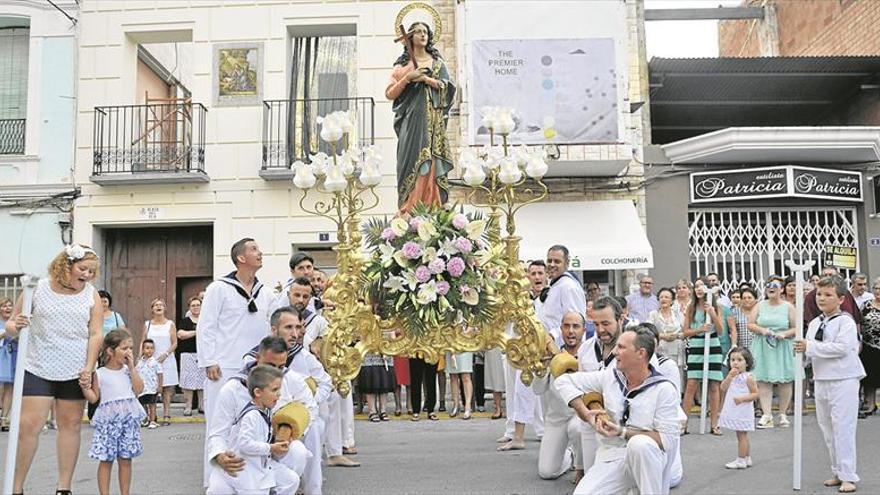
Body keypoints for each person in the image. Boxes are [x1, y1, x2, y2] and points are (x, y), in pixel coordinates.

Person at [4, 244, 103, 495]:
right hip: (37, 365)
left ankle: (64, 488)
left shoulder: (90, 295)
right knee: (29, 426)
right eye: (83, 269)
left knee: (70, 426)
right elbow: (11, 327)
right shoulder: (37, 288)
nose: (87, 275)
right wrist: (18, 324)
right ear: (66, 265)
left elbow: (95, 333)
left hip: (75, 369)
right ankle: (16, 488)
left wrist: (89, 368)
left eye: (91, 271)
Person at [556, 326, 681, 495]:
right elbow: (563, 381)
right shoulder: (610, 376)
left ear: (641, 353)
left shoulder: (664, 389)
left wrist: (622, 432)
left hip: (648, 462)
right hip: (612, 457)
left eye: (621, 347)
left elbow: (666, 440)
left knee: (639, 444)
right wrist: (585, 414)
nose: (614, 351)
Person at [198, 238, 274, 486]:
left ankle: (249, 477)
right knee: (220, 422)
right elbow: (206, 326)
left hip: (256, 368)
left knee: (253, 421)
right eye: (254, 249)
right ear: (241, 258)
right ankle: (214, 480)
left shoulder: (266, 292)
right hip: (224, 365)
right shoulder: (219, 288)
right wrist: (209, 360)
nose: (260, 252)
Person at [794, 275, 865, 494]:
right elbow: (810, 351)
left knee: (843, 428)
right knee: (827, 428)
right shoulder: (815, 323)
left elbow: (841, 348)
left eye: (828, 295)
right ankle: (837, 470)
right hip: (821, 379)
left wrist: (810, 346)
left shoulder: (846, 322)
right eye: (819, 294)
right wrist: (800, 353)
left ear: (841, 298)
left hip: (843, 379)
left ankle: (848, 475)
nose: (822, 299)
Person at [386, 20, 456, 211]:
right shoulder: (401, 67)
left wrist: (426, 79)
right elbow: (390, 93)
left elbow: (448, 88)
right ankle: (409, 208)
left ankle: (432, 207)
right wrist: (408, 78)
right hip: (410, 122)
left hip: (432, 123)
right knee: (411, 161)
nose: (423, 35)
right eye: (418, 32)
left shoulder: (437, 64)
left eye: (425, 32)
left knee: (431, 159)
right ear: (409, 37)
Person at [207, 364, 299, 495]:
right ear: (257, 392)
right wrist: (271, 448)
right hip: (246, 470)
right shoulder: (252, 415)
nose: (279, 395)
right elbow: (244, 444)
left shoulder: (263, 410)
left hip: (258, 466)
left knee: (291, 480)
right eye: (274, 390)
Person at [81, 329, 145, 495]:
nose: (129, 352)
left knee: (125, 459)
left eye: (131, 348)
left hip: (128, 419)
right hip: (109, 421)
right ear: (110, 351)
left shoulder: (129, 371)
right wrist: (84, 387)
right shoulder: (100, 374)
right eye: (124, 348)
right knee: (106, 459)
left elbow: (138, 389)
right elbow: (94, 398)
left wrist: (132, 369)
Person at [534, 311, 586, 483]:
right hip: (556, 420)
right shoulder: (552, 355)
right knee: (547, 472)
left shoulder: (590, 354)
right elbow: (537, 390)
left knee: (577, 429)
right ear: (561, 330)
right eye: (567, 326)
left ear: (583, 330)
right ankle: (569, 455)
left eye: (576, 326)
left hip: (580, 417)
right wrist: (542, 368)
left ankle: (581, 467)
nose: (571, 331)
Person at [748, 276, 796, 429]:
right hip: (763, 345)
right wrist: (763, 330)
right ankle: (766, 414)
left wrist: (785, 334)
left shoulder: (788, 307)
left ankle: (783, 413)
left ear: (781, 289)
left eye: (775, 285)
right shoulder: (760, 305)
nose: (771, 288)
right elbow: (750, 323)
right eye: (768, 285)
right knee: (763, 381)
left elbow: (796, 327)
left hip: (782, 345)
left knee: (785, 381)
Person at [681, 277, 726, 435]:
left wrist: (712, 314)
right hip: (696, 346)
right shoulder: (691, 308)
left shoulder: (716, 306)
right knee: (691, 384)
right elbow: (685, 332)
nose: (699, 289)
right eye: (697, 286)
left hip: (713, 345)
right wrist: (699, 329)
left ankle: (714, 424)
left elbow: (720, 331)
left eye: (702, 286)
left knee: (714, 385)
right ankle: (683, 424)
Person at [718, 347, 758, 469]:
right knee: (741, 434)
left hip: (742, 409)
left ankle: (741, 460)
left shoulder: (748, 377)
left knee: (742, 435)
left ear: (747, 363)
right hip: (734, 409)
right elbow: (723, 388)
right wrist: (729, 377)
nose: (735, 363)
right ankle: (746, 457)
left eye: (740, 360)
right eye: (732, 360)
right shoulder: (732, 376)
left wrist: (742, 399)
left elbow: (755, 393)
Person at [542, 246, 586, 346]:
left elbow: (576, 323)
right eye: (549, 261)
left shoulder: (569, 287)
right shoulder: (556, 284)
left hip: (561, 349)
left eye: (557, 261)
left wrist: (552, 335)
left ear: (566, 263)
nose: (552, 264)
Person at [144, 298, 177, 426]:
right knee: (151, 387)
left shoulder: (170, 324)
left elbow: (175, 343)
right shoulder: (148, 324)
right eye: (156, 305)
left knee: (166, 388)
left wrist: (166, 354)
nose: (158, 307)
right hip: (151, 359)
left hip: (166, 358)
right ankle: (152, 415)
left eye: (161, 305)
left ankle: (167, 414)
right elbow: (143, 341)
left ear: (165, 308)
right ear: (152, 309)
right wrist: (141, 358)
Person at [648, 288, 684, 384]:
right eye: (661, 297)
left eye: (667, 297)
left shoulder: (678, 314)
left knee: (677, 376)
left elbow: (686, 331)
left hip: (677, 350)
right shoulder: (653, 314)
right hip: (660, 350)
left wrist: (676, 335)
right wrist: (663, 336)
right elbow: (648, 331)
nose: (663, 299)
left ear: (672, 300)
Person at [178, 295, 205, 416]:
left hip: (203, 354)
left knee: (202, 381)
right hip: (188, 354)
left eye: (198, 305)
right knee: (188, 381)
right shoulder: (185, 321)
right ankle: (188, 407)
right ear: (189, 307)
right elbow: (181, 334)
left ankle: (201, 406)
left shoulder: (206, 320)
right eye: (193, 305)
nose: (195, 307)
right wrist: (197, 332)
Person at [859, 277, 880, 418]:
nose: (878, 291)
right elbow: (859, 323)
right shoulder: (866, 305)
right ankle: (870, 405)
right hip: (869, 347)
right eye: (876, 288)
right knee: (870, 379)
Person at [136, 339, 163, 429]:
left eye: (151, 348)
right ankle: (145, 419)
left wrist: (160, 386)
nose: (149, 350)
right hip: (142, 388)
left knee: (152, 405)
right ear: (143, 349)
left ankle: (152, 420)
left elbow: (160, 374)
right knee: (143, 404)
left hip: (152, 387)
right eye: (147, 348)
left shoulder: (155, 362)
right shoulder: (139, 362)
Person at [0, 296, 16, 431]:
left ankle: (4, 419)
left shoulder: (14, 322)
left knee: (9, 388)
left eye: (10, 305)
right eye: (4, 306)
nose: (8, 308)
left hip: (12, 355)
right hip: (1, 355)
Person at [446, 350, 474, 420]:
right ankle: (456, 404)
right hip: (451, 346)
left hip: (465, 346)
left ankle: (468, 406)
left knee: (466, 375)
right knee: (453, 375)